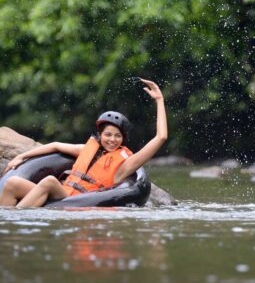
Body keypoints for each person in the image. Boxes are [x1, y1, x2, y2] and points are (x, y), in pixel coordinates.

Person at [0, 78, 167, 208]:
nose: (112, 140)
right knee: (13, 183)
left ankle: (18, 217)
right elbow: (55, 146)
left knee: (50, 181)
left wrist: (159, 100)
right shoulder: (86, 150)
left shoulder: (125, 165)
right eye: (108, 135)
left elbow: (161, 137)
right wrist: (21, 156)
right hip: (63, 193)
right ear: (100, 135)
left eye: (118, 136)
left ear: (123, 139)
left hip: (77, 201)